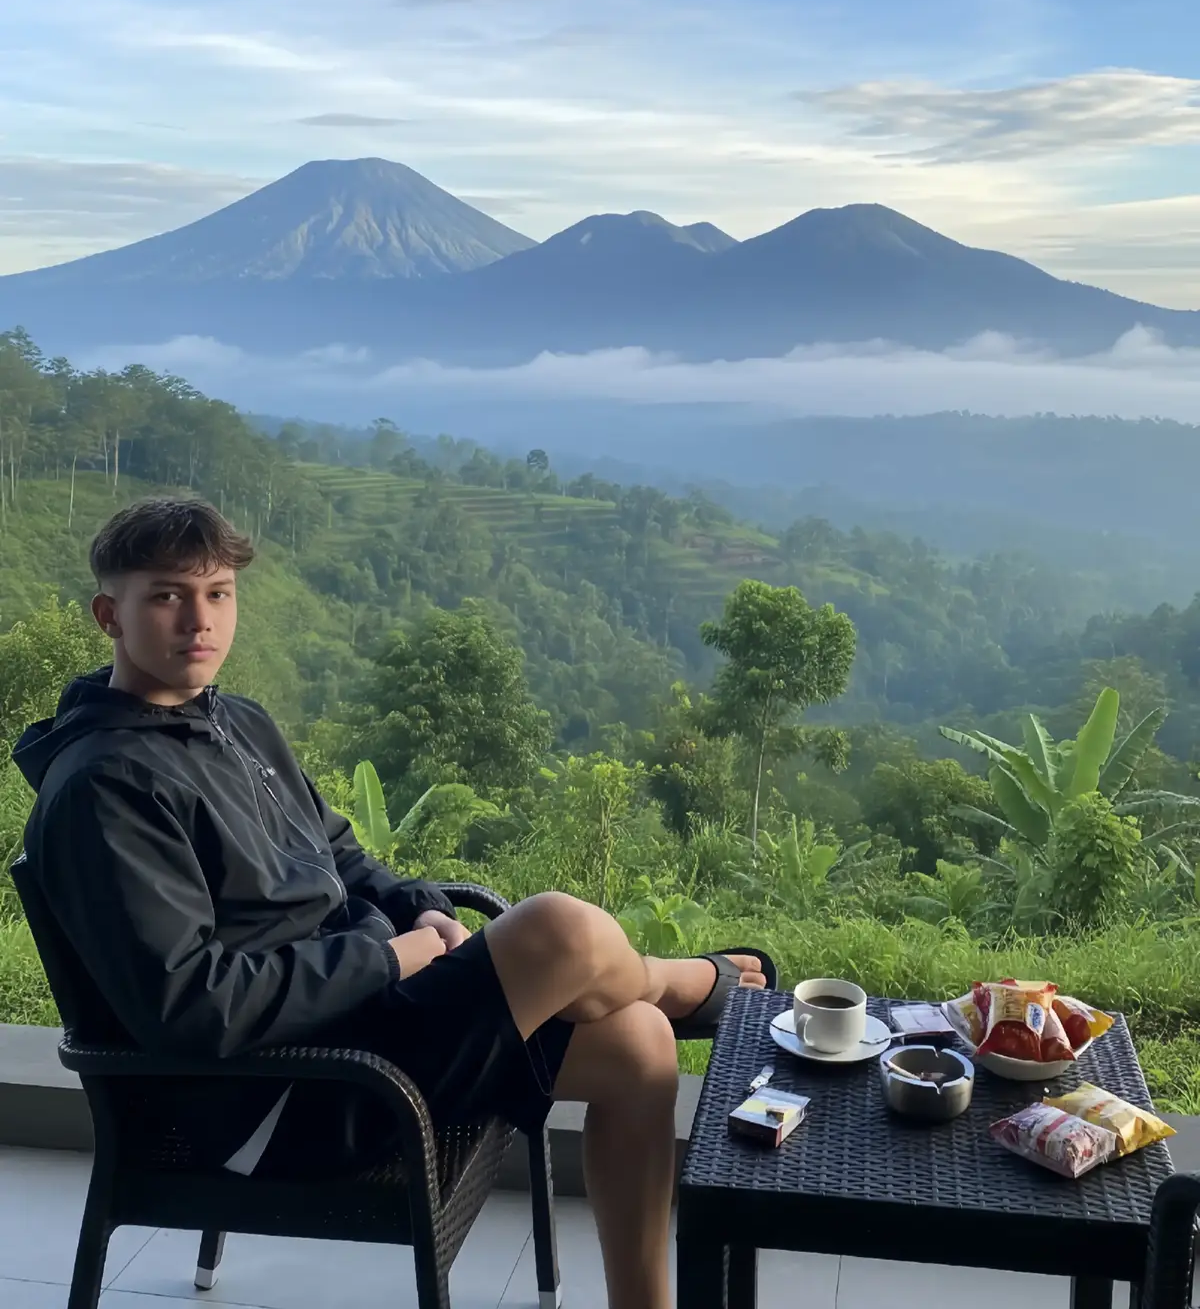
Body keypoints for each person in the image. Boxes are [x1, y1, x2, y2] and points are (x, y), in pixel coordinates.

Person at [18, 496, 768, 1309]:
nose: (199, 619)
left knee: (638, 1043)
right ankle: (689, 982)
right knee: (560, 928)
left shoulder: (233, 720)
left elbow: (335, 851)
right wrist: (388, 957)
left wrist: (416, 909)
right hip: (280, 1095)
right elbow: (196, 1009)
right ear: (110, 615)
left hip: (363, 1025)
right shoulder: (106, 787)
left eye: (219, 593)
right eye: (167, 595)